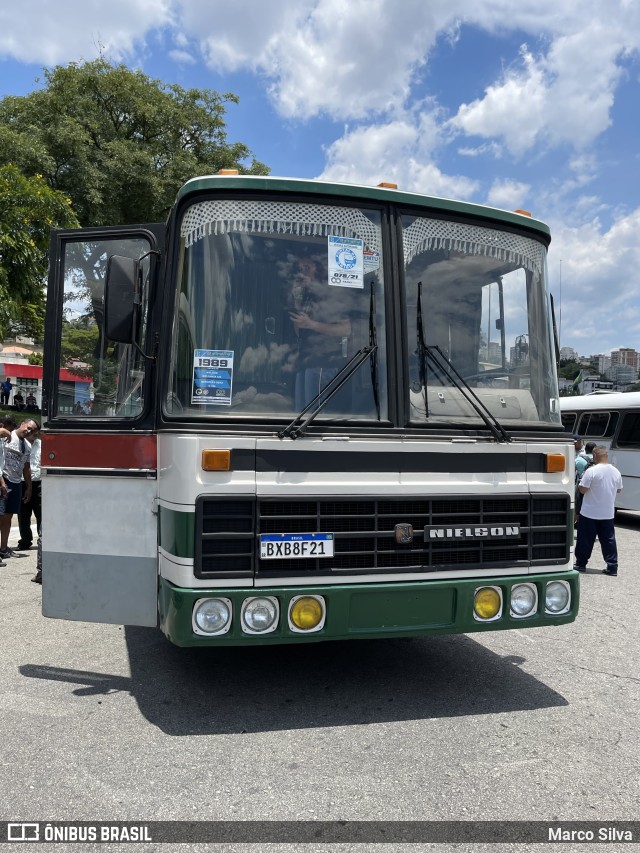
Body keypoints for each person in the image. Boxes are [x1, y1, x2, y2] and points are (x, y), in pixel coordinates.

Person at [288, 257, 352, 409]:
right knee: (300, 412)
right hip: (305, 362)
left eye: (307, 268)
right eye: (300, 269)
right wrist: (297, 302)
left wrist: (311, 324)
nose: (302, 273)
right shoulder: (308, 297)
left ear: (319, 270)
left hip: (323, 363)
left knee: (312, 415)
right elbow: (299, 333)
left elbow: (345, 329)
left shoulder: (331, 294)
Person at [574, 445, 622, 576]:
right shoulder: (616, 471)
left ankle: (581, 564)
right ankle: (612, 566)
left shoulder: (592, 471)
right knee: (608, 540)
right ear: (606, 455)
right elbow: (619, 489)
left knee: (585, 540)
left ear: (595, 455)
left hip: (589, 512)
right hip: (607, 513)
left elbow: (582, 490)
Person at [0, 418, 36, 560]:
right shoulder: (8, 435)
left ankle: (3, 548)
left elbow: (26, 469)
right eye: (28, 427)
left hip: (16, 482)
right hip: (4, 479)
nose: (29, 431)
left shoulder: (27, 445)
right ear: (22, 424)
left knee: (8, 516)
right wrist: (2, 431)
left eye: (32, 431)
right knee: (1, 516)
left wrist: (29, 487)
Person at [17, 424, 41, 552]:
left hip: (39, 482)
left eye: (37, 431)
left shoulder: (42, 445)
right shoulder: (21, 444)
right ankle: (25, 540)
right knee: (24, 514)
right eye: (32, 430)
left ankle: (43, 539)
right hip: (23, 482)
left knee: (41, 513)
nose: (34, 433)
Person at [574, 440, 595, 522]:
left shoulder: (578, 459)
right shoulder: (598, 460)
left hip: (581, 485)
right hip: (593, 487)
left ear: (585, 449)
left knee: (577, 506)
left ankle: (573, 525)